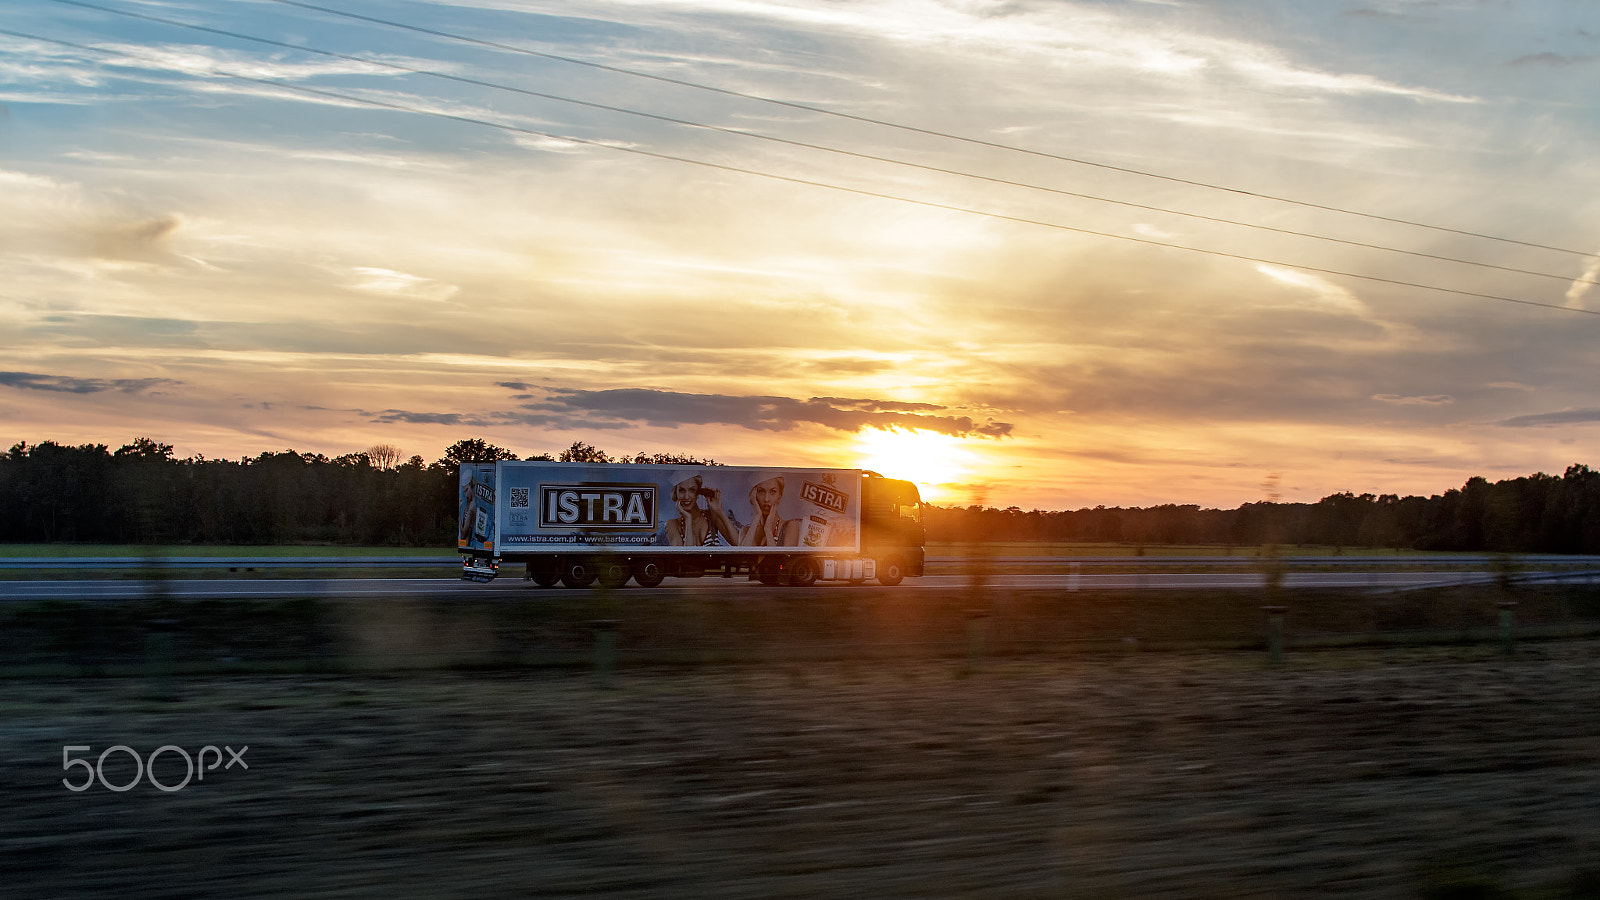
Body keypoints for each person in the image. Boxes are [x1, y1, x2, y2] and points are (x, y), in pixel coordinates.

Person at [660, 474, 738, 546]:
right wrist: (688, 519)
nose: (686, 496)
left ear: (698, 493)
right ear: (675, 493)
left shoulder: (711, 516)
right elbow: (683, 556)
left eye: (692, 490)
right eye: (681, 490)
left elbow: (738, 544)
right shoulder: (672, 524)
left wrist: (719, 510)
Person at [738, 475, 803, 547]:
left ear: (779, 495)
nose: (766, 499)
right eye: (761, 491)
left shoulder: (791, 526)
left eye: (773, 492)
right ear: (754, 495)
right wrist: (757, 516)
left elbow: (783, 558)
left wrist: (768, 529)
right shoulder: (745, 530)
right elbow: (742, 555)